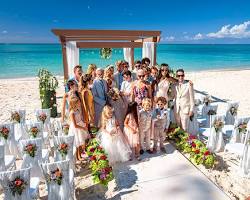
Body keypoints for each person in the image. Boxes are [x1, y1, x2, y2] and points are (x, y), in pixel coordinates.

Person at [68, 95, 89, 160]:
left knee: (80, 142)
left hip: (80, 126)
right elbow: (75, 125)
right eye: (78, 102)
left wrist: (84, 123)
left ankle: (80, 155)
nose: (80, 103)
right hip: (76, 129)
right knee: (77, 143)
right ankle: (77, 157)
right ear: (74, 104)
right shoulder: (72, 113)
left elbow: (79, 119)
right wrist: (83, 128)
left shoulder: (77, 110)